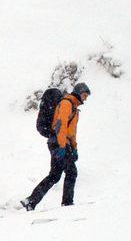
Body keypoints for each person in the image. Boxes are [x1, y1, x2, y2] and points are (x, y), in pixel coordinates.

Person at [21, 83, 91, 211]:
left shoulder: (74, 109)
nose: (85, 98)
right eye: (84, 95)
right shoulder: (66, 104)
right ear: (78, 92)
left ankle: (31, 201)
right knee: (71, 172)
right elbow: (61, 125)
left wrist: (74, 148)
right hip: (59, 142)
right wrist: (62, 147)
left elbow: (72, 132)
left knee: (54, 175)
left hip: (61, 143)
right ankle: (67, 203)